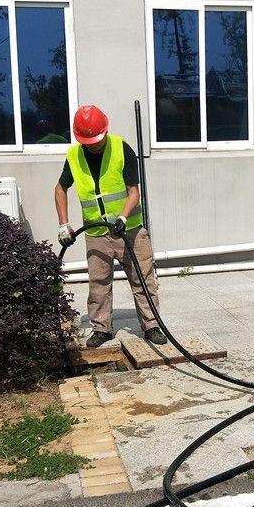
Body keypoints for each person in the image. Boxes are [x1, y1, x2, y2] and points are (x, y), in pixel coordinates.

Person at [54, 104, 167, 348]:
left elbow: (133, 192)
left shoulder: (121, 148)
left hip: (131, 230)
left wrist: (123, 217)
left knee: (143, 279)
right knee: (98, 283)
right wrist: (64, 223)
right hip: (96, 232)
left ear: (105, 130)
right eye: (88, 140)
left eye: (96, 139)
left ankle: (152, 325)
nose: (93, 144)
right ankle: (102, 328)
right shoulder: (74, 155)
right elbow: (60, 188)